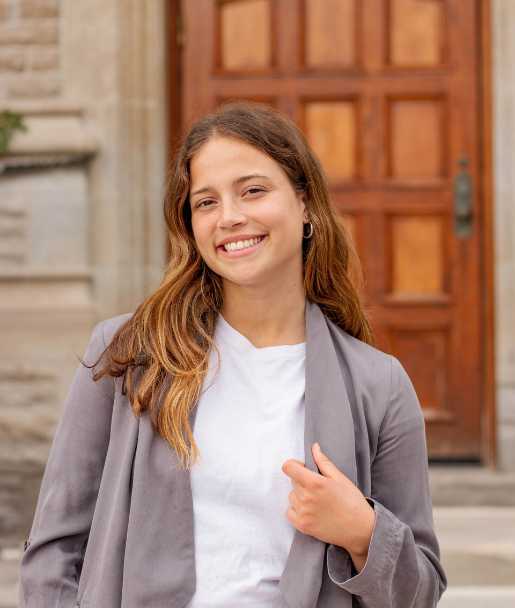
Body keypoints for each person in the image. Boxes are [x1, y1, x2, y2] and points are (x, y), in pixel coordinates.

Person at [19, 101, 447, 607]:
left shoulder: (377, 383)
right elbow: (54, 549)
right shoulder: (131, 355)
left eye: (253, 191)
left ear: (305, 205)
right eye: (206, 202)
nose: (230, 217)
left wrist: (361, 531)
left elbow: (419, 592)